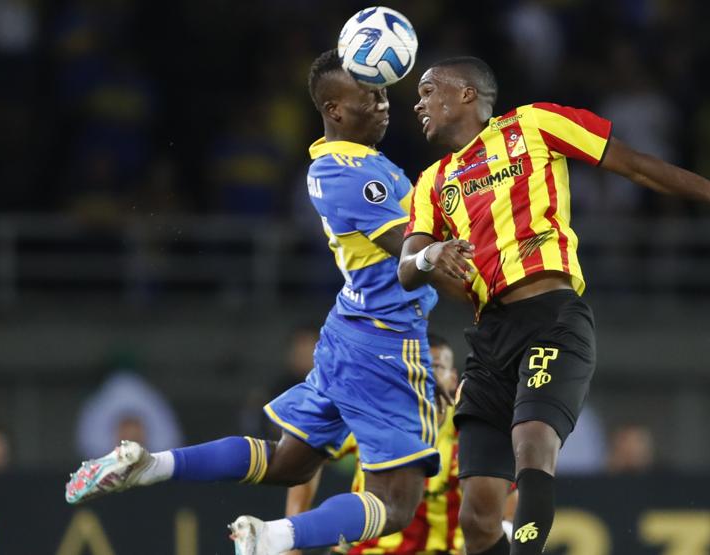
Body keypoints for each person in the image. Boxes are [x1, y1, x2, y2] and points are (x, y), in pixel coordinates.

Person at [65, 50, 461, 554]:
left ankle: (153, 464)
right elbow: (415, 252)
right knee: (397, 504)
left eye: (384, 92)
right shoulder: (355, 178)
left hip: (348, 331)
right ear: (335, 109)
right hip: (387, 344)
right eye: (370, 95)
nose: (385, 104)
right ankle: (275, 537)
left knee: (288, 463)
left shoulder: (345, 163)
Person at [397, 57, 710, 555]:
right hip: (489, 339)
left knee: (532, 444)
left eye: (427, 89)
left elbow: (635, 164)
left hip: (551, 317)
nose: (417, 102)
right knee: (480, 513)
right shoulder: (432, 182)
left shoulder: (533, 124)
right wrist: (430, 254)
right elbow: (406, 267)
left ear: (466, 94)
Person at [285, 334, 467, 555]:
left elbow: (502, 501)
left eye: (437, 366)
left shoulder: (468, 430)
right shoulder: (371, 415)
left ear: (453, 379)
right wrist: (292, 541)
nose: (427, 376)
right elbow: (310, 453)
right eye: (420, 367)